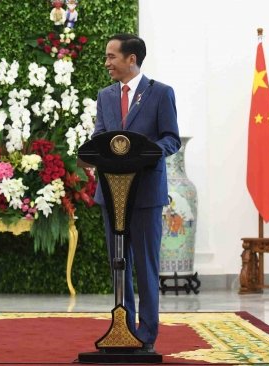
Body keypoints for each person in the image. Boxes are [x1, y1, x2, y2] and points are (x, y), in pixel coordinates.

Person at [92, 33, 180, 352]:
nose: (107, 63)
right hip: (111, 194)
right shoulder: (104, 96)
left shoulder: (161, 94)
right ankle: (123, 328)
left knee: (144, 265)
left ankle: (147, 335)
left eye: (111, 57)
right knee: (120, 263)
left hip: (145, 194)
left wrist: (143, 151)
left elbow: (171, 139)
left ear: (132, 59)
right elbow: (100, 136)